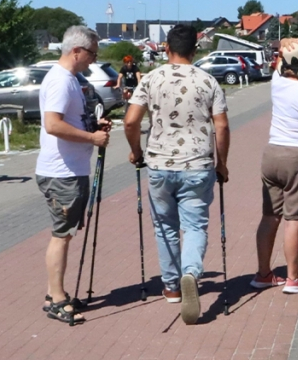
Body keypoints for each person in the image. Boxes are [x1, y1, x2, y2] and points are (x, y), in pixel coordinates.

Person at [124, 24, 230, 325]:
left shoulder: (151, 79)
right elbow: (221, 126)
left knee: (165, 227)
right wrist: (222, 163)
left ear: (166, 48)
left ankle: (171, 287)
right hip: (198, 164)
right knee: (195, 226)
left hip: (159, 164)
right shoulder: (208, 81)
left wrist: (137, 151)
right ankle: (191, 273)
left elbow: (131, 121)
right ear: (195, 51)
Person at [35, 26, 111, 325]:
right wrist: (92, 139)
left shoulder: (69, 80)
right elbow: (53, 125)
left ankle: (56, 291)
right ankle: (56, 297)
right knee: (62, 235)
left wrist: (93, 126)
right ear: (76, 51)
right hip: (61, 172)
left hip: (71, 169)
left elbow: (69, 120)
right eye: (92, 53)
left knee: (65, 233)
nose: (94, 60)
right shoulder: (60, 82)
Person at [251, 39, 298, 294]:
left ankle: (263, 274)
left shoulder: (276, 83)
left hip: (272, 153)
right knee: (294, 219)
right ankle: (293, 278)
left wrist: (284, 45)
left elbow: (280, 56)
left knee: (270, 216)